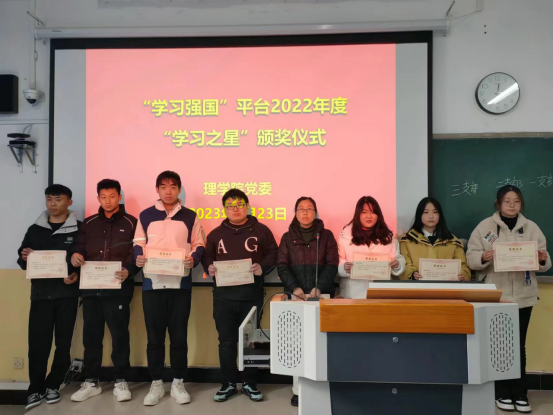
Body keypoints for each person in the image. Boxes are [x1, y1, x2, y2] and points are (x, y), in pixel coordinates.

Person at [467, 185, 551, 414]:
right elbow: (471, 258)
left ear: (521, 204)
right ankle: (502, 392)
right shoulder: (485, 227)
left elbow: (545, 263)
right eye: (507, 201)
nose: (512, 205)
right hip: (497, 296)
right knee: (500, 346)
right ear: (498, 203)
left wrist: (542, 258)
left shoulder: (531, 228)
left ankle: (520, 394)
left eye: (516, 201)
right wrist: (483, 256)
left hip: (524, 296)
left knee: (518, 345)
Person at [133, 171, 205, 406]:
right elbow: (138, 243)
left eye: (173, 187)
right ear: (157, 189)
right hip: (152, 284)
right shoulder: (145, 215)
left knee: (179, 337)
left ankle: (177, 382)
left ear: (179, 189)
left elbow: (199, 244)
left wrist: (193, 259)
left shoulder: (190, 216)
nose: (168, 191)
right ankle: (156, 383)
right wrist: (138, 257)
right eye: (163, 187)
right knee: (154, 338)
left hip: (180, 285)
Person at [203, 189, 278, 403]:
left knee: (251, 340)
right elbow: (207, 256)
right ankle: (228, 383)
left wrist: (262, 267)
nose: (235, 209)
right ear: (224, 209)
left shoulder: (262, 231)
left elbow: (274, 253)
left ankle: (249, 383)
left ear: (247, 206)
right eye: (230, 206)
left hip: (251, 295)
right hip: (223, 297)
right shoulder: (216, 234)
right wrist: (209, 267)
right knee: (226, 341)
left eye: (239, 205)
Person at [69, 179, 137, 403]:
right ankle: (91, 381)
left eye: (112, 196)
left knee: (119, 336)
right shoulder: (88, 223)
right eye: (103, 197)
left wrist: (129, 269)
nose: (108, 201)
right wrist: (75, 256)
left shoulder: (132, 222)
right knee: (91, 337)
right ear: (98, 198)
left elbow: (137, 252)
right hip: (90, 290)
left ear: (119, 197)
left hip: (118, 290)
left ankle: (120, 380)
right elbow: (78, 248)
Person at [17, 185, 80, 411]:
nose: (53, 204)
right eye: (49, 199)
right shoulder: (35, 229)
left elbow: (83, 260)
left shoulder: (79, 229)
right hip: (41, 296)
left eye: (58, 199)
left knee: (63, 344)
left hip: (67, 296)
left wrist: (75, 274)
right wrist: (25, 256)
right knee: (38, 344)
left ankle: (53, 384)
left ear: (69, 202)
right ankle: (35, 389)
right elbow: (23, 260)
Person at [277, 196, 338, 407]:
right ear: (295, 213)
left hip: (322, 296)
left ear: (315, 212)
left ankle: (321, 385)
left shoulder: (326, 236)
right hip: (296, 298)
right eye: (301, 209)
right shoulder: (287, 237)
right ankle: (298, 389)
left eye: (309, 209)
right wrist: (295, 288)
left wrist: (319, 287)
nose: (305, 212)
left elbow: (332, 264)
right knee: (297, 344)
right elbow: (282, 265)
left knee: (321, 342)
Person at [337, 196, 405, 298]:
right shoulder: (345, 236)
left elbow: (397, 257)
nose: (369, 216)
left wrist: (397, 264)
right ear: (358, 214)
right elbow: (337, 260)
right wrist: (344, 267)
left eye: (373, 212)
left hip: (381, 292)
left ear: (378, 215)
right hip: (353, 292)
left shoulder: (389, 238)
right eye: (364, 212)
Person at [400, 197, 470, 281]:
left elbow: (463, 267)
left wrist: (461, 275)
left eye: (435, 212)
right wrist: (412, 274)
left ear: (439, 215)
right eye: (426, 212)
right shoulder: (407, 241)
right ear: (419, 215)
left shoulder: (452, 242)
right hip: (418, 288)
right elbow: (404, 265)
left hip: (446, 288)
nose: (431, 216)